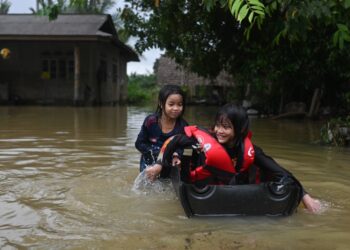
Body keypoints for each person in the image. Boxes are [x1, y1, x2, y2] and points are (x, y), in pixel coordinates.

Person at [149, 103, 321, 213]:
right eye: (217, 125)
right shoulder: (203, 143)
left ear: (239, 130)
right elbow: (172, 142)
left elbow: (281, 172)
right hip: (204, 190)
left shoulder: (252, 151)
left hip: (234, 192)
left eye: (226, 127)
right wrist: (159, 165)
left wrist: (305, 196)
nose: (219, 131)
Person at [135, 84, 188, 175]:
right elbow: (139, 143)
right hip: (149, 161)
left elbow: (185, 148)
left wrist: (177, 156)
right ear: (161, 103)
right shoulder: (150, 122)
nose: (176, 108)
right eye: (171, 104)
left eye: (180, 104)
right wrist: (158, 154)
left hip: (170, 162)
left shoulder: (183, 126)